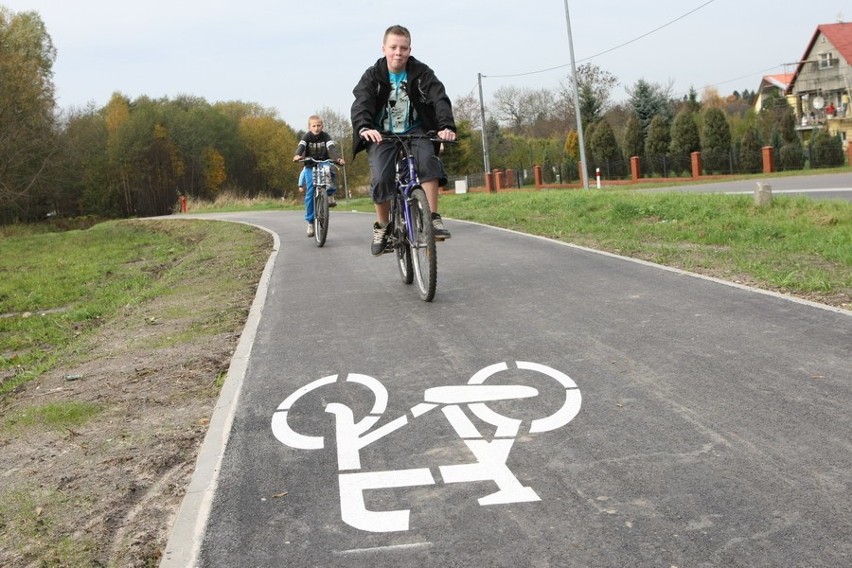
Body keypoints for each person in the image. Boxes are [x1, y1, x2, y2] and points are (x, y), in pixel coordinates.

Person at [351, 24, 456, 256]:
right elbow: (361, 103)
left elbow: (439, 97)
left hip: (415, 130)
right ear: (384, 48)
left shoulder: (421, 72)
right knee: (380, 177)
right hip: (381, 133)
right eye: (393, 47)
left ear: (410, 49)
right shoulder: (372, 75)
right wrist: (364, 127)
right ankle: (383, 226)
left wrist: (445, 126)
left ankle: (432, 218)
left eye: (404, 48)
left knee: (428, 161)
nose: (398, 52)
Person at [293, 115, 345, 237]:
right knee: (310, 192)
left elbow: (331, 148)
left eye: (319, 125)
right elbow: (301, 147)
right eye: (314, 126)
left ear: (322, 126)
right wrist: (297, 155)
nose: (316, 128)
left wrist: (337, 158)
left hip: (324, 163)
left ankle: (330, 194)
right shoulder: (307, 137)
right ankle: (310, 222)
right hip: (310, 165)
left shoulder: (326, 136)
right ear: (309, 127)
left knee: (330, 170)